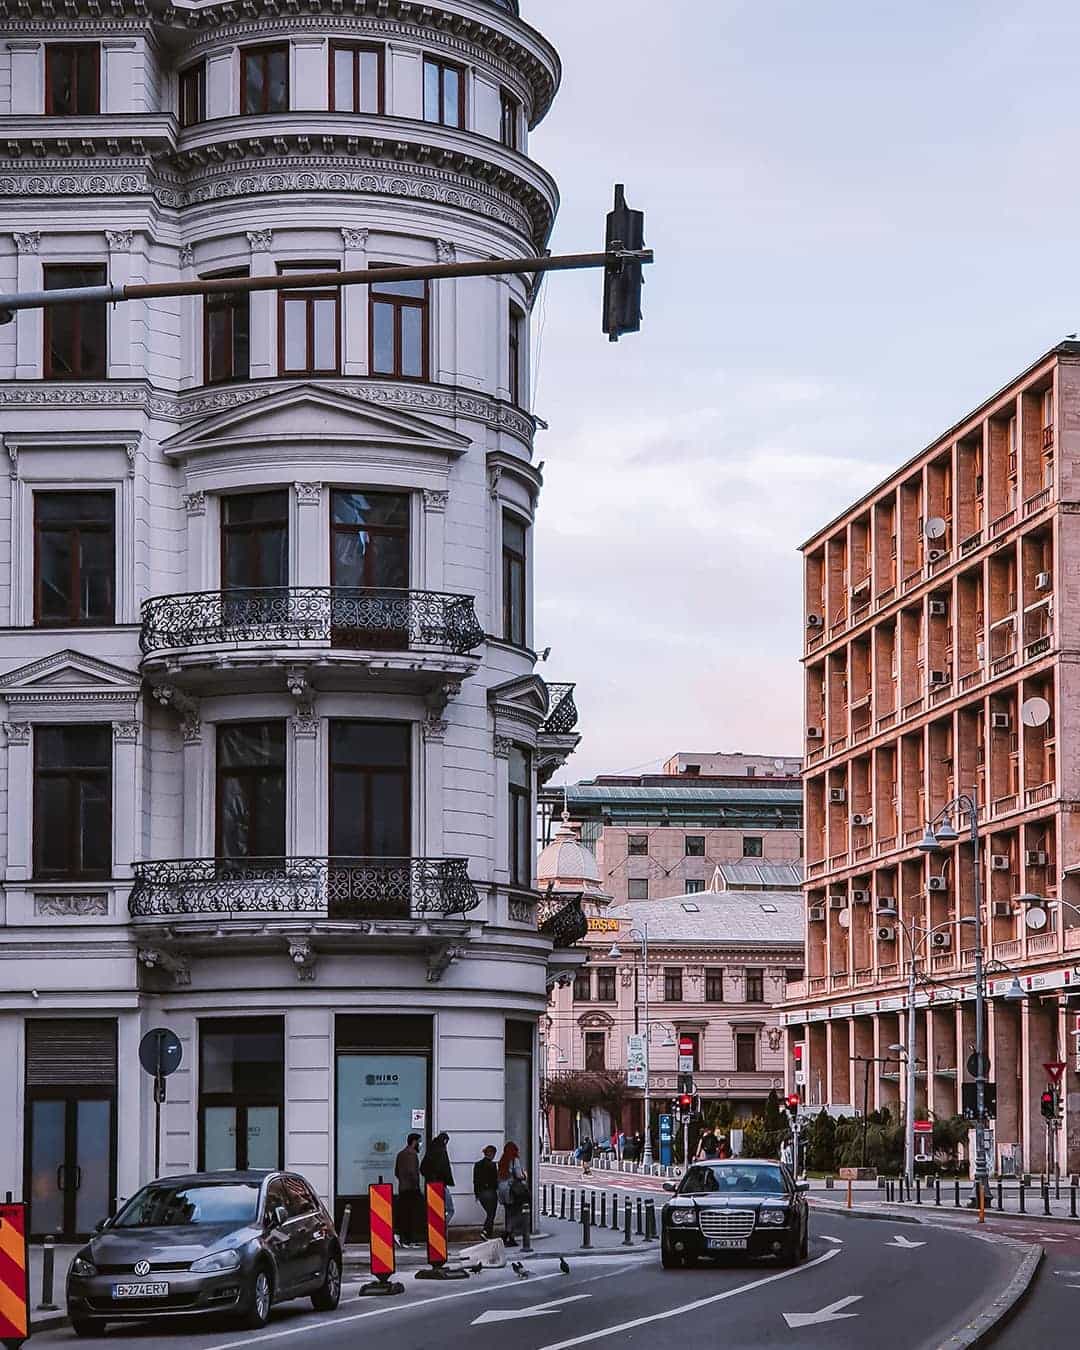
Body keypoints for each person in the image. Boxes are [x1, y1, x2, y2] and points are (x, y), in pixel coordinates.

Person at [420, 1131, 456, 1226]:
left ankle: (435, 1227)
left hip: (430, 1185)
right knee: (450, 1209)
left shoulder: (430, 1151)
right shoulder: (441, 1151)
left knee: (434, 1210)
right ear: (445, 1141)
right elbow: (444, 1169)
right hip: (440, 1185)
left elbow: (422, 1168)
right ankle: (440, 1227)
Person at [394, 1132, 423, 1247]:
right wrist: (416, 1185)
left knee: (404, 1214)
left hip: (403, 1188)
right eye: (419, 1141)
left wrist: (402, 1180)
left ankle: (403, 1238)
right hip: (411, 1189)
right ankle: (409, 1240)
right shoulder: (411, 1154)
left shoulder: (400, 1154)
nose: (420, 1144)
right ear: (414, 1142)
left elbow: (396, 1172)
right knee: (411, 1215)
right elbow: (412, 1172)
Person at [497, 1141, 527, 1246]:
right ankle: (508, 1233)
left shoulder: (502, 1160)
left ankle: (510, 1236)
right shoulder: (514, 1160)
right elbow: (518, 1175)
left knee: (508, 1213)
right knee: (516, 1213)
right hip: (511, 1190)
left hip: (502, 1189)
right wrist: (524, 1176)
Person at [473, 1145, 499, 1240]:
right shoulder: (492, 1165)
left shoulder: (477, 1165)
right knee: (491, 1214)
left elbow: (475, 1181)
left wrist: (476, 1194)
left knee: (489, 1213)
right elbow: (495, 1180)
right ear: (492, 1154)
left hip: (481, 1193)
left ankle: (488, 1234)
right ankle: (486, 1232)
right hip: (490, 1192)